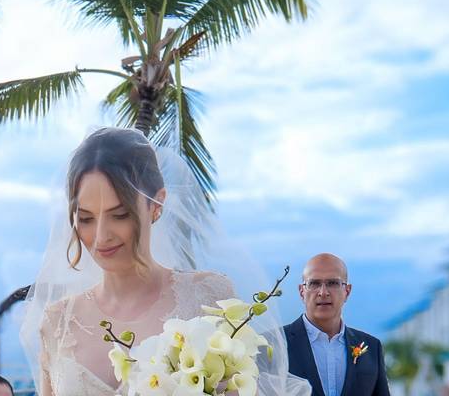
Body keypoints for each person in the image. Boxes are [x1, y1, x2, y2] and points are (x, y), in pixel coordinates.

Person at [20, 127, 312, 396]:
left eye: (119, 215)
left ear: (156, 205)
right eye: (85, 218)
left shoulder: (209, 297)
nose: (100, 236)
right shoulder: (58, 321)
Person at [284, 253, 391, 396]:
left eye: (333, 283)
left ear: (347, 291)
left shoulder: (371, 347)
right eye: (314, 283)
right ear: (302, 291)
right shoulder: (275, 343)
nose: (323, 292)